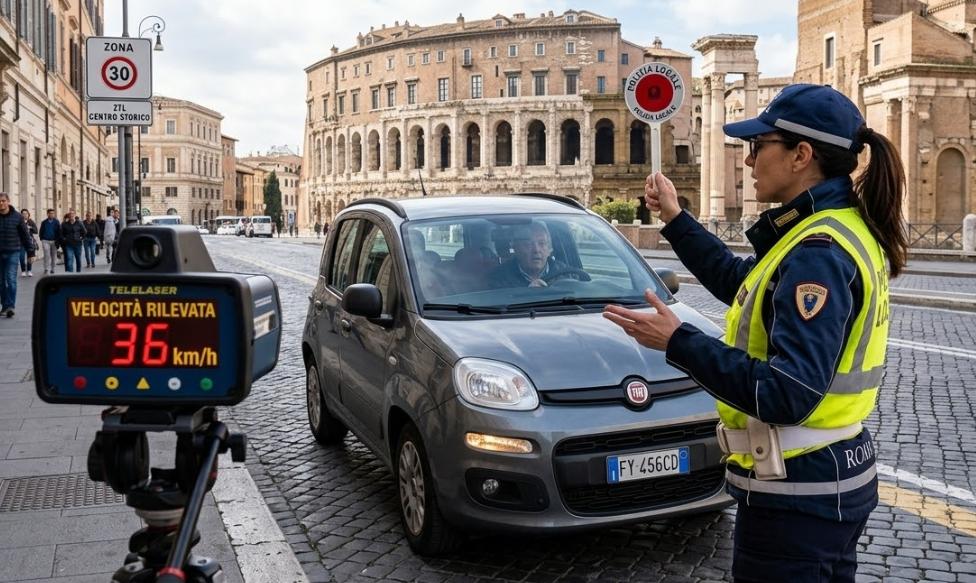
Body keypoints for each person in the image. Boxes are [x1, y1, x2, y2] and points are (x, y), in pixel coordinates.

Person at [603, 84, 907, 583]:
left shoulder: (818, 249)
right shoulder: (834, 227)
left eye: (758, 146)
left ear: (800, 155)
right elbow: (741, 282)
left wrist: (678, 341)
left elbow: (788, 392)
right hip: (827, 476)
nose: (746, 161)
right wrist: (676, 220)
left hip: (798, 493)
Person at [489, 221, 588, 287]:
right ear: (516, 248)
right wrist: (528, 294)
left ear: (549, 249)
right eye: (528, 244)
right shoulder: (498, 278)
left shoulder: (569, 275)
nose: (536, 250)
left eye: (542, 244)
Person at [0, 193, 32, 317]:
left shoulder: (17, 217)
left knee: (11, 279)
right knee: (1, 282)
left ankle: (11, 307)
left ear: (8, 201)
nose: (1, 203)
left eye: (3, 201)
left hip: (13, 251)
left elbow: (25, 235)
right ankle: (5, 306)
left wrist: (31, 252)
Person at [38, 208, 60, 275]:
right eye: (50, 213)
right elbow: (41, 231)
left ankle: (53, 268)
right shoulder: (44, 222)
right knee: (46, 255)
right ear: (47, 214)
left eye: (53, 213)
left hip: (54, 241)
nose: (52, 215)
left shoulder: (56, 222)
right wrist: (41, 238)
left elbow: (59, 231)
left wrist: (58, 240)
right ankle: (46, 268)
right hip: (45, 240)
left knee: (53, 255)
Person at [19, 209, 37, 277]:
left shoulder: (31, 221)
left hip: (29, 242)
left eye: (26, 213)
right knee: (21, 257)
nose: (24, 215)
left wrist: (30, 228)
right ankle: (23, 271)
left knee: (30, 257)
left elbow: (36, 231)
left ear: (28, 214)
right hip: (21, 242)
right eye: (23, 213)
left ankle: (29, 270)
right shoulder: (19, 222)